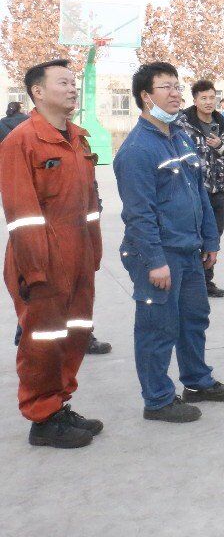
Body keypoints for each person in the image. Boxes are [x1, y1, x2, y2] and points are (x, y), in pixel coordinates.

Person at [114, 62, 224, 423]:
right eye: (165, 87)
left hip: (188, 248)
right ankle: (157, 399)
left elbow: (199, 192)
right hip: (158, 253)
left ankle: (197, 381)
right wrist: (155, 261)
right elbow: (139, 214)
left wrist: (210, 239)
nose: (175, 93)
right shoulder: (137, 150)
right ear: (145, 96)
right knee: (158, 327)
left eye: (176, 86)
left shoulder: (180, 137)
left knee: (193, 319)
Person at [1, 60, 103, 448]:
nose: (73, 88)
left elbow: (89, 204)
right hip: (43, 260)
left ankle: (58, 404)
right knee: (43, 341)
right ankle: (42, 419)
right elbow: (21, 213)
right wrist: (34, 270)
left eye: (74, 82)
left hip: (80, 255)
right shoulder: (22, 141)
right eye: (63, 82)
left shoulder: (77, 139)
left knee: (74, 333)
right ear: (38, 92)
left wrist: (93, 250)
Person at [180, 80, 224, 298]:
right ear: (195, 100)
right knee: (193, 236)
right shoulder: (182, 124)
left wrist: (220, 146)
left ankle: (206, 281)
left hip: (218, 191)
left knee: (213, 237)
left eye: (212, 97)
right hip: (193, 191)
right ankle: (191, 281)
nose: (208, 102)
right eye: (203, 98)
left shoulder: (223, 125)